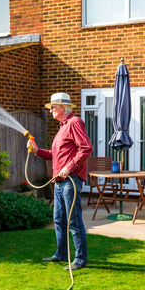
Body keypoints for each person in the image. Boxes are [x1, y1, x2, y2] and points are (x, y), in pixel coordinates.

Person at [28, 93, 93, 271]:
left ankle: (80, 259)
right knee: (58, 219)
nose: (51, 111)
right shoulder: (62, 127)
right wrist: (37, 150)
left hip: (70, 180)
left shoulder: (74, 123)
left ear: (62, 107)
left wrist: (70, 167)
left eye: (53, 107)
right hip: (59, 181)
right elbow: (55, 155)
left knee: (73, 220)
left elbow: (86, 148)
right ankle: (62, 254)